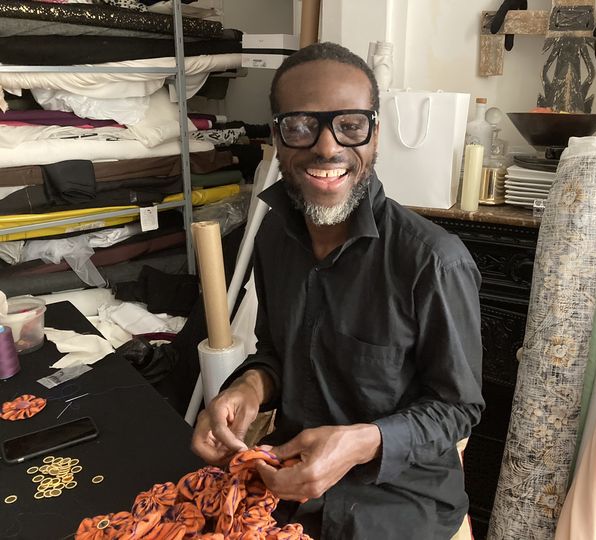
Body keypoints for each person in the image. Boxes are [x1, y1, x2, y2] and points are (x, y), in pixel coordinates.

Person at [191, 41, 484, 539]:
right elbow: (279, 351)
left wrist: (363, 442)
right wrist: (247, 387)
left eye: (350, 125)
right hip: (286, 485)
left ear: (374, 136)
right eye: (301, 126)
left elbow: (458, 410)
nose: (327, 148)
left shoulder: (433, 260)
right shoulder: (273, 236)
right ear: (277, 139)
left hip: (398, 504)